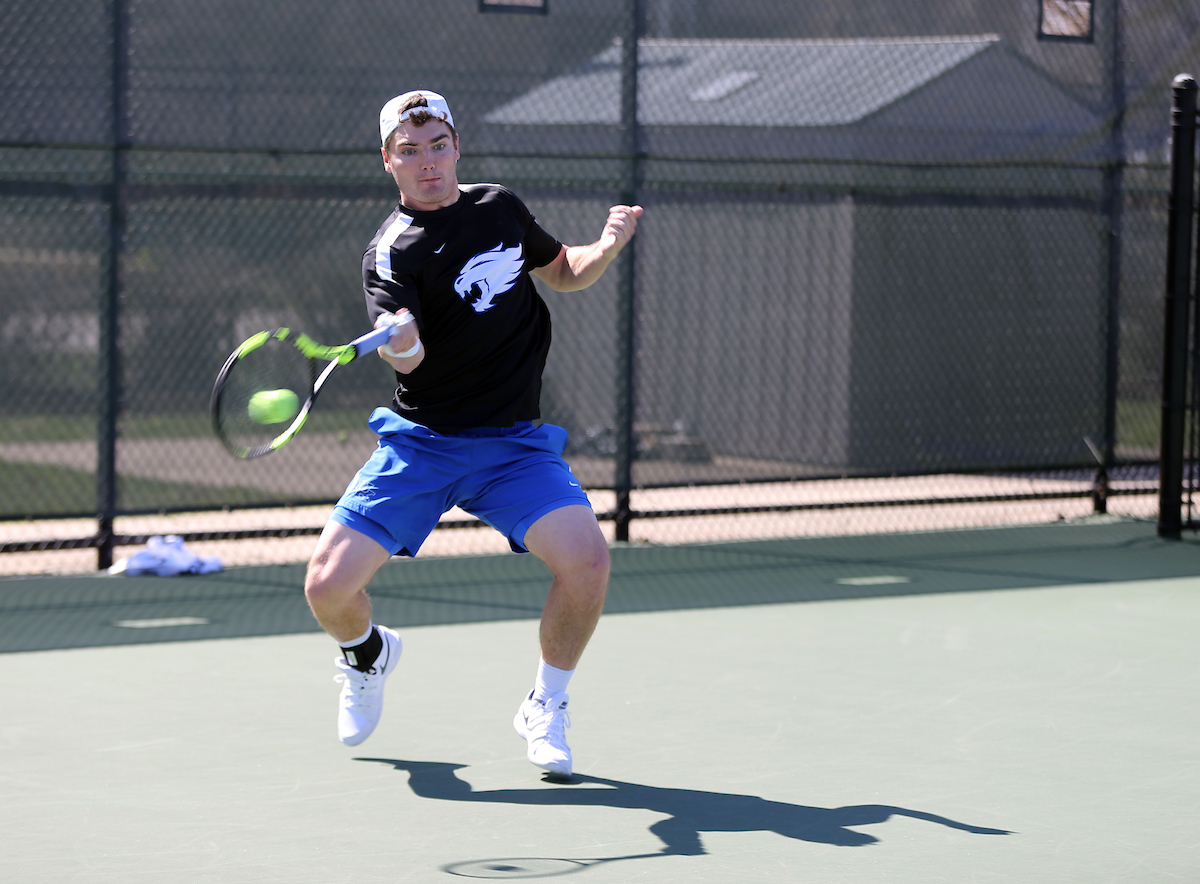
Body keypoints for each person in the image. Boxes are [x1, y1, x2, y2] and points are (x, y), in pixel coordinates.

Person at [303, 89, 642, 778]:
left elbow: (563, 272)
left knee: (588, 562)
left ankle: (546, 704)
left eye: (437, 146)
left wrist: (605, 246)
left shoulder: (501, 208)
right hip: (423, 444)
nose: (427, 163)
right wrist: (399, 340)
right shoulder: (390, 254)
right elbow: (412, 357)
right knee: (326, 589)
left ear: (456, 145)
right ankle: (367, 653)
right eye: (409, 152)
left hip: (513, 446)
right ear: (388, 162)